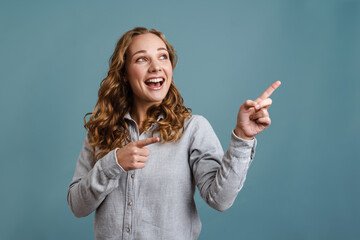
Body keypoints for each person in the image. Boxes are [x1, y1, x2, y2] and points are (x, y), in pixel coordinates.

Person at [67, 27, 281, 240]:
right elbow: (77, 207)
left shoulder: (193, 129)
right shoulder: (101, 130)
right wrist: (113, 164)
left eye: (163, 56)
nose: (156, 66)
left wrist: (243, 137)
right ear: (124, 73)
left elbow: (220, 200)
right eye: (142, 59)